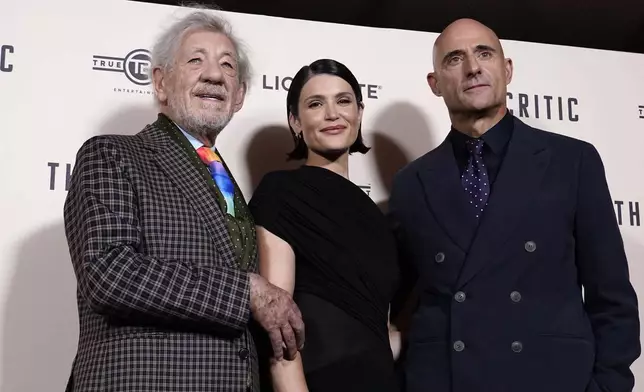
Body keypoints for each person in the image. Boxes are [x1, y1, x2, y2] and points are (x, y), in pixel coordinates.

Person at [388, 18, 640, 392]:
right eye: (454, 59)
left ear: (507, 70)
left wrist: (606, 385)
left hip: (551, 379)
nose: (473, 67)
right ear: (435, 83)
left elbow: (613, 299)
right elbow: (396, 303)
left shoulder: (572, 161)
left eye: (484, 54)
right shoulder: (411, 182)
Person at [62, 10, 304, 392]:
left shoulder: (229, 186)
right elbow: (109, 273)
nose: (214, 74)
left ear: (239, 95)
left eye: (227, 66)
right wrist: (246, 291)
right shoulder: (111, 154)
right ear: (160, 82)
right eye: (196, 60)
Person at [248, 59, 401, 392]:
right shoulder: (281, 192)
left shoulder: (380, 219)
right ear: (295, 122)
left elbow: (383, 325)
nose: (332, 114)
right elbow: (278, 332)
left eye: (343, 101)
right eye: (315, 104)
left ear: (359, 113)